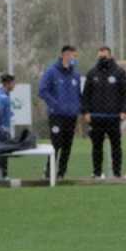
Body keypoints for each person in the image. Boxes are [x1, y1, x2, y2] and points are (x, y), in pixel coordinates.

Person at [81, 46, 126, 179]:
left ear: (110, 56)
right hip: (96, 117)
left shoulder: (119, 72)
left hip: (114, 117)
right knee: (96, 147)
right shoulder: (92, 73)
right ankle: (97, 173)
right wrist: (85, 112)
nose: (102, 59)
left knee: (116, 146)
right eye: (100, 56)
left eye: (104, 56)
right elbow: (86, 94)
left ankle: (117, 173)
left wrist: (124, 111)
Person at [39, 45, 83, 179]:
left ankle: (61, 173)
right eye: (72, 56)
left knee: (67, 145)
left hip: (71, 116)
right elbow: (42, 90)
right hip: (56, 115)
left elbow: (78, 94)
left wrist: (79, 109)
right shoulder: (51, 72)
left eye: (75, 57)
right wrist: (55, 105)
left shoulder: (75, 75)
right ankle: (48, 172)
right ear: (65, 55)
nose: (74, 59)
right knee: (56, 144)